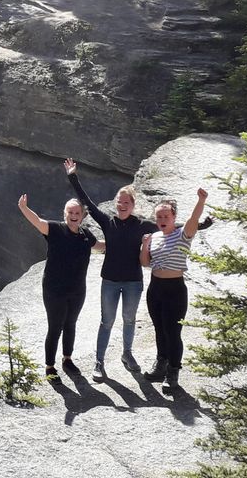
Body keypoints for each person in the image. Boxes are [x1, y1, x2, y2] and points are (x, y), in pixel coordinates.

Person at [65, 158, 157, 381]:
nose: (122, 205)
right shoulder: (107, 222)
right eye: (119, 201)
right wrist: (72, 177)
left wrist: (199, 225)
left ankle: (127, 354)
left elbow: (170, 226)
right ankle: (99, 361)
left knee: (129, 320)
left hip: (133, 281)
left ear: (133, 205)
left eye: (126, 202)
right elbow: (86, 203)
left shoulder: (143, 224)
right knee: (106, 321)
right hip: (110, 281)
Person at [18, 193, 105, 378]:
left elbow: (99, 245)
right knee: (55, 327)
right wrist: (24, 208)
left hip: (77, 290)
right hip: (54, 290)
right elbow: (38, 222)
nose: (73, 215)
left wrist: (124, 243)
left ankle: (67, 359)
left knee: (71, 324)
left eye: (77, 212)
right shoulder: (56, 229)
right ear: (64, 214)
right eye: (70, 212)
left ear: (82, 216)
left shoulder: (85, 234)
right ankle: (50, 367)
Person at [140, 188, 208, 392]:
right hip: (155, 288)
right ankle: (160, 365)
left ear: (173, 217)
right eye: (159, 216)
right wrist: (144, 246)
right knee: (159, 329)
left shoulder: (182, 234)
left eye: (166, 216)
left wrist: (201, 200)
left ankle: (173, 372)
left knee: (173, 332)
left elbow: (193, 220)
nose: (162, 219)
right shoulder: (155, 236)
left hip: (175, 290)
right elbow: (145, 263)